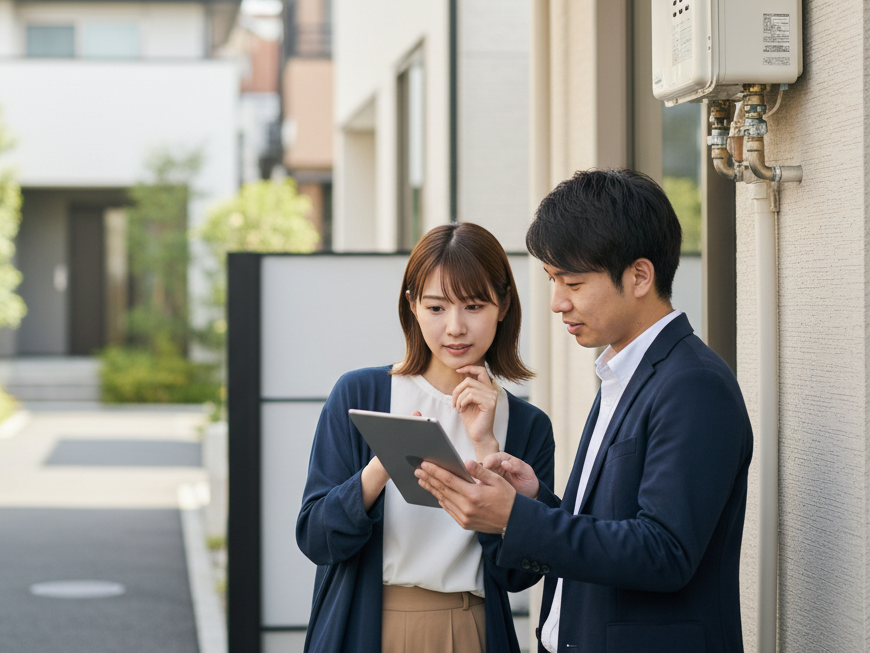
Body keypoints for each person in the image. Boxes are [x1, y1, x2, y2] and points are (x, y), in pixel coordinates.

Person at [415, 169, 754, 653]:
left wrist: (516, 518)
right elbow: (615, 531)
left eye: (572, 282)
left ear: (639, 276)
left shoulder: (694, 385)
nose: (556, 303)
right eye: (553, 281)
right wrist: (537, 503)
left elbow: (665, 552)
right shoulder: (626, 373)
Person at [296, 222, 555, 653]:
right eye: (436, 308)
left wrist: (486, 446)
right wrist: (382, 465)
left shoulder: (526, 425)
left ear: (504, 304)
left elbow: (521, 574)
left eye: (473, 306)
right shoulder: (362, 395)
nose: (455, 327)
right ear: (412, 306)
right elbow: (315, 537)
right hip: (367, 626)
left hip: (469, 629)